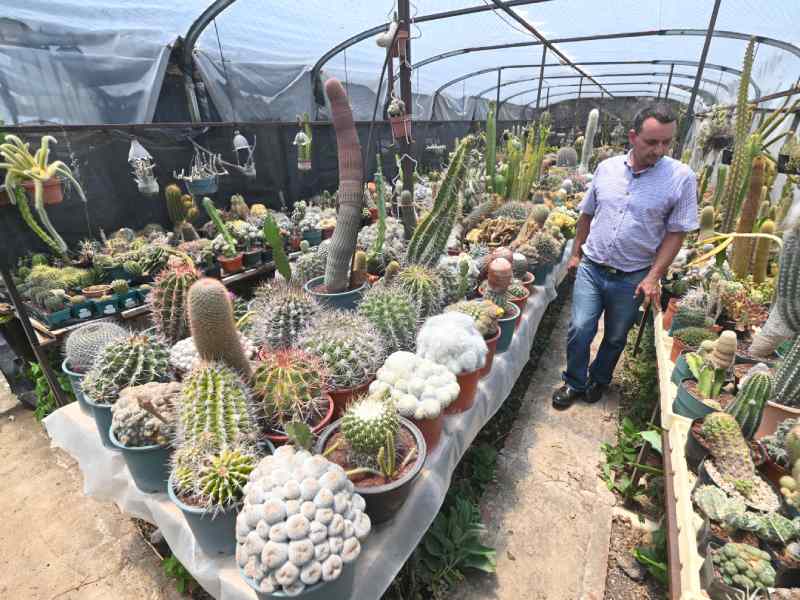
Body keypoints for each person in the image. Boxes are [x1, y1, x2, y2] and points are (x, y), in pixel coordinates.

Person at [552, 104, 698, 410]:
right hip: (593, 267)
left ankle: (599, 378)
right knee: (580, 328)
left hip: (633, 275)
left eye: (667, 142)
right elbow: (586, 214)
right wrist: (576, 253)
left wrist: (653, 277)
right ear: (633, 136)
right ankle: (575, 381)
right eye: (652, 142)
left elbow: (677, 232)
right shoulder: (607, 168)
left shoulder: (681, 177)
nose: (660, 150)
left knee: (616, 336)